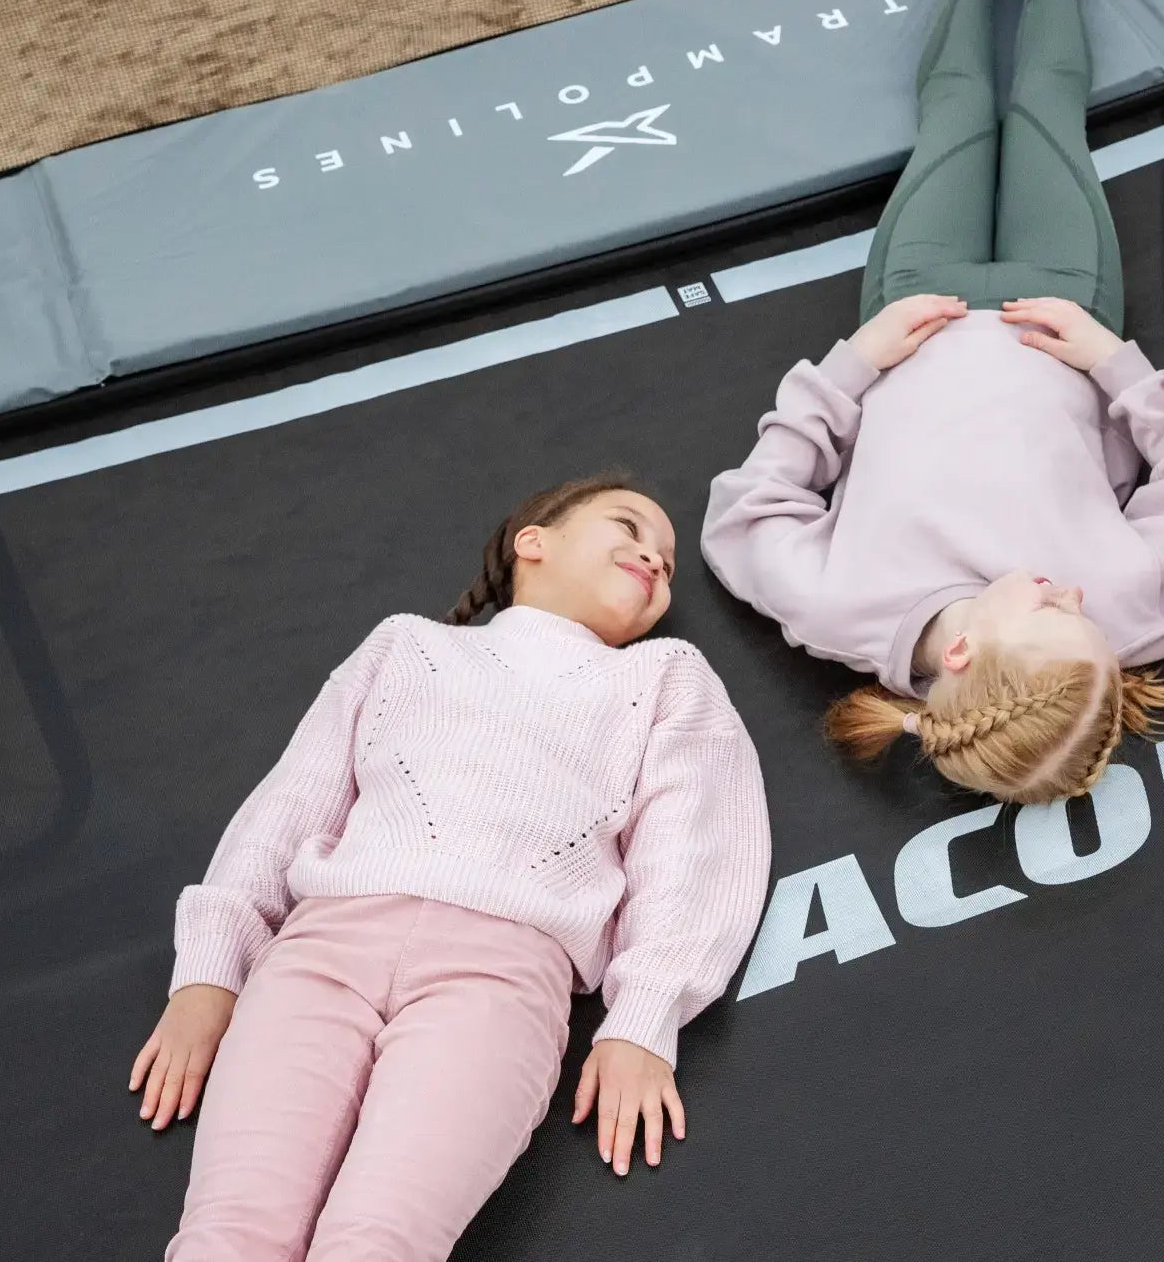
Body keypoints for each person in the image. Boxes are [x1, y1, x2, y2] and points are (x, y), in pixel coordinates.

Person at [128, 474, 771, 1261]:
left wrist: (645, 1016)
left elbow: (696, 843)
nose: (654, 559)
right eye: (629, 525)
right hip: (321, 951)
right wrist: (209, 971)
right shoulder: (408, 643)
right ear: (532, 541)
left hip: (498, 981)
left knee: (379, 1242)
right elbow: (291, 802)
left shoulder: (664, 676)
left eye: (668, 564)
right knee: (227, 1235)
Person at [703, 0, 1164, 805]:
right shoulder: (1121, 615)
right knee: (1045, 103)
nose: (1073, 599)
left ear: (958, 652)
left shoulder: (841, 607)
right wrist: (1113, 364)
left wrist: (853, 364)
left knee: (956, 109)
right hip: (1065, 300)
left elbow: (743, 516)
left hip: (914, 304)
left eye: (1052, 609)